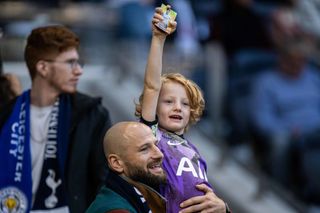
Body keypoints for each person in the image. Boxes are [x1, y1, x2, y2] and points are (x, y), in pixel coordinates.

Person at [0, 25, 111, 213]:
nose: (78, 71)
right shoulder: (6, 116)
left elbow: (104, 183)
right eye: (70, 63)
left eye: (79, 63)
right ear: (42, 67)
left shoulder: (92, 115)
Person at [135, 6, 229, 213]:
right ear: (153, 107)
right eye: (168, 101)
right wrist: (158, 39)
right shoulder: (152, 137)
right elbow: (152, 87)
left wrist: (223, 208)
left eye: (185, 104)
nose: (178, 107)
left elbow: (207, 198)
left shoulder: (193, 151)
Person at [86, 121, 167, 213]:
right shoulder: (116, 210)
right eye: (144, 149)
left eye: (156, 145)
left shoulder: (135, 195)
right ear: (116, 163)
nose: (159, 154)